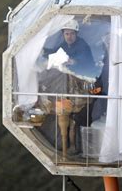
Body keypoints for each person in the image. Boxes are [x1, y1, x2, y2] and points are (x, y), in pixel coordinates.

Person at [38, 19, 102, 155]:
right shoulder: (64, 46)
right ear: (63, 34)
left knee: (83, 118)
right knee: (73, 119)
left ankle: (86, 148)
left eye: (71, 34)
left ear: (76, 34)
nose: (69, 37)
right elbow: (55, 52)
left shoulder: (82, 46)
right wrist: (42, 50)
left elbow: (84, 61)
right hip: (74, 87)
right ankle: (73, 146)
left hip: (86, 86)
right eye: (67, 34)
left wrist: (73, 61)